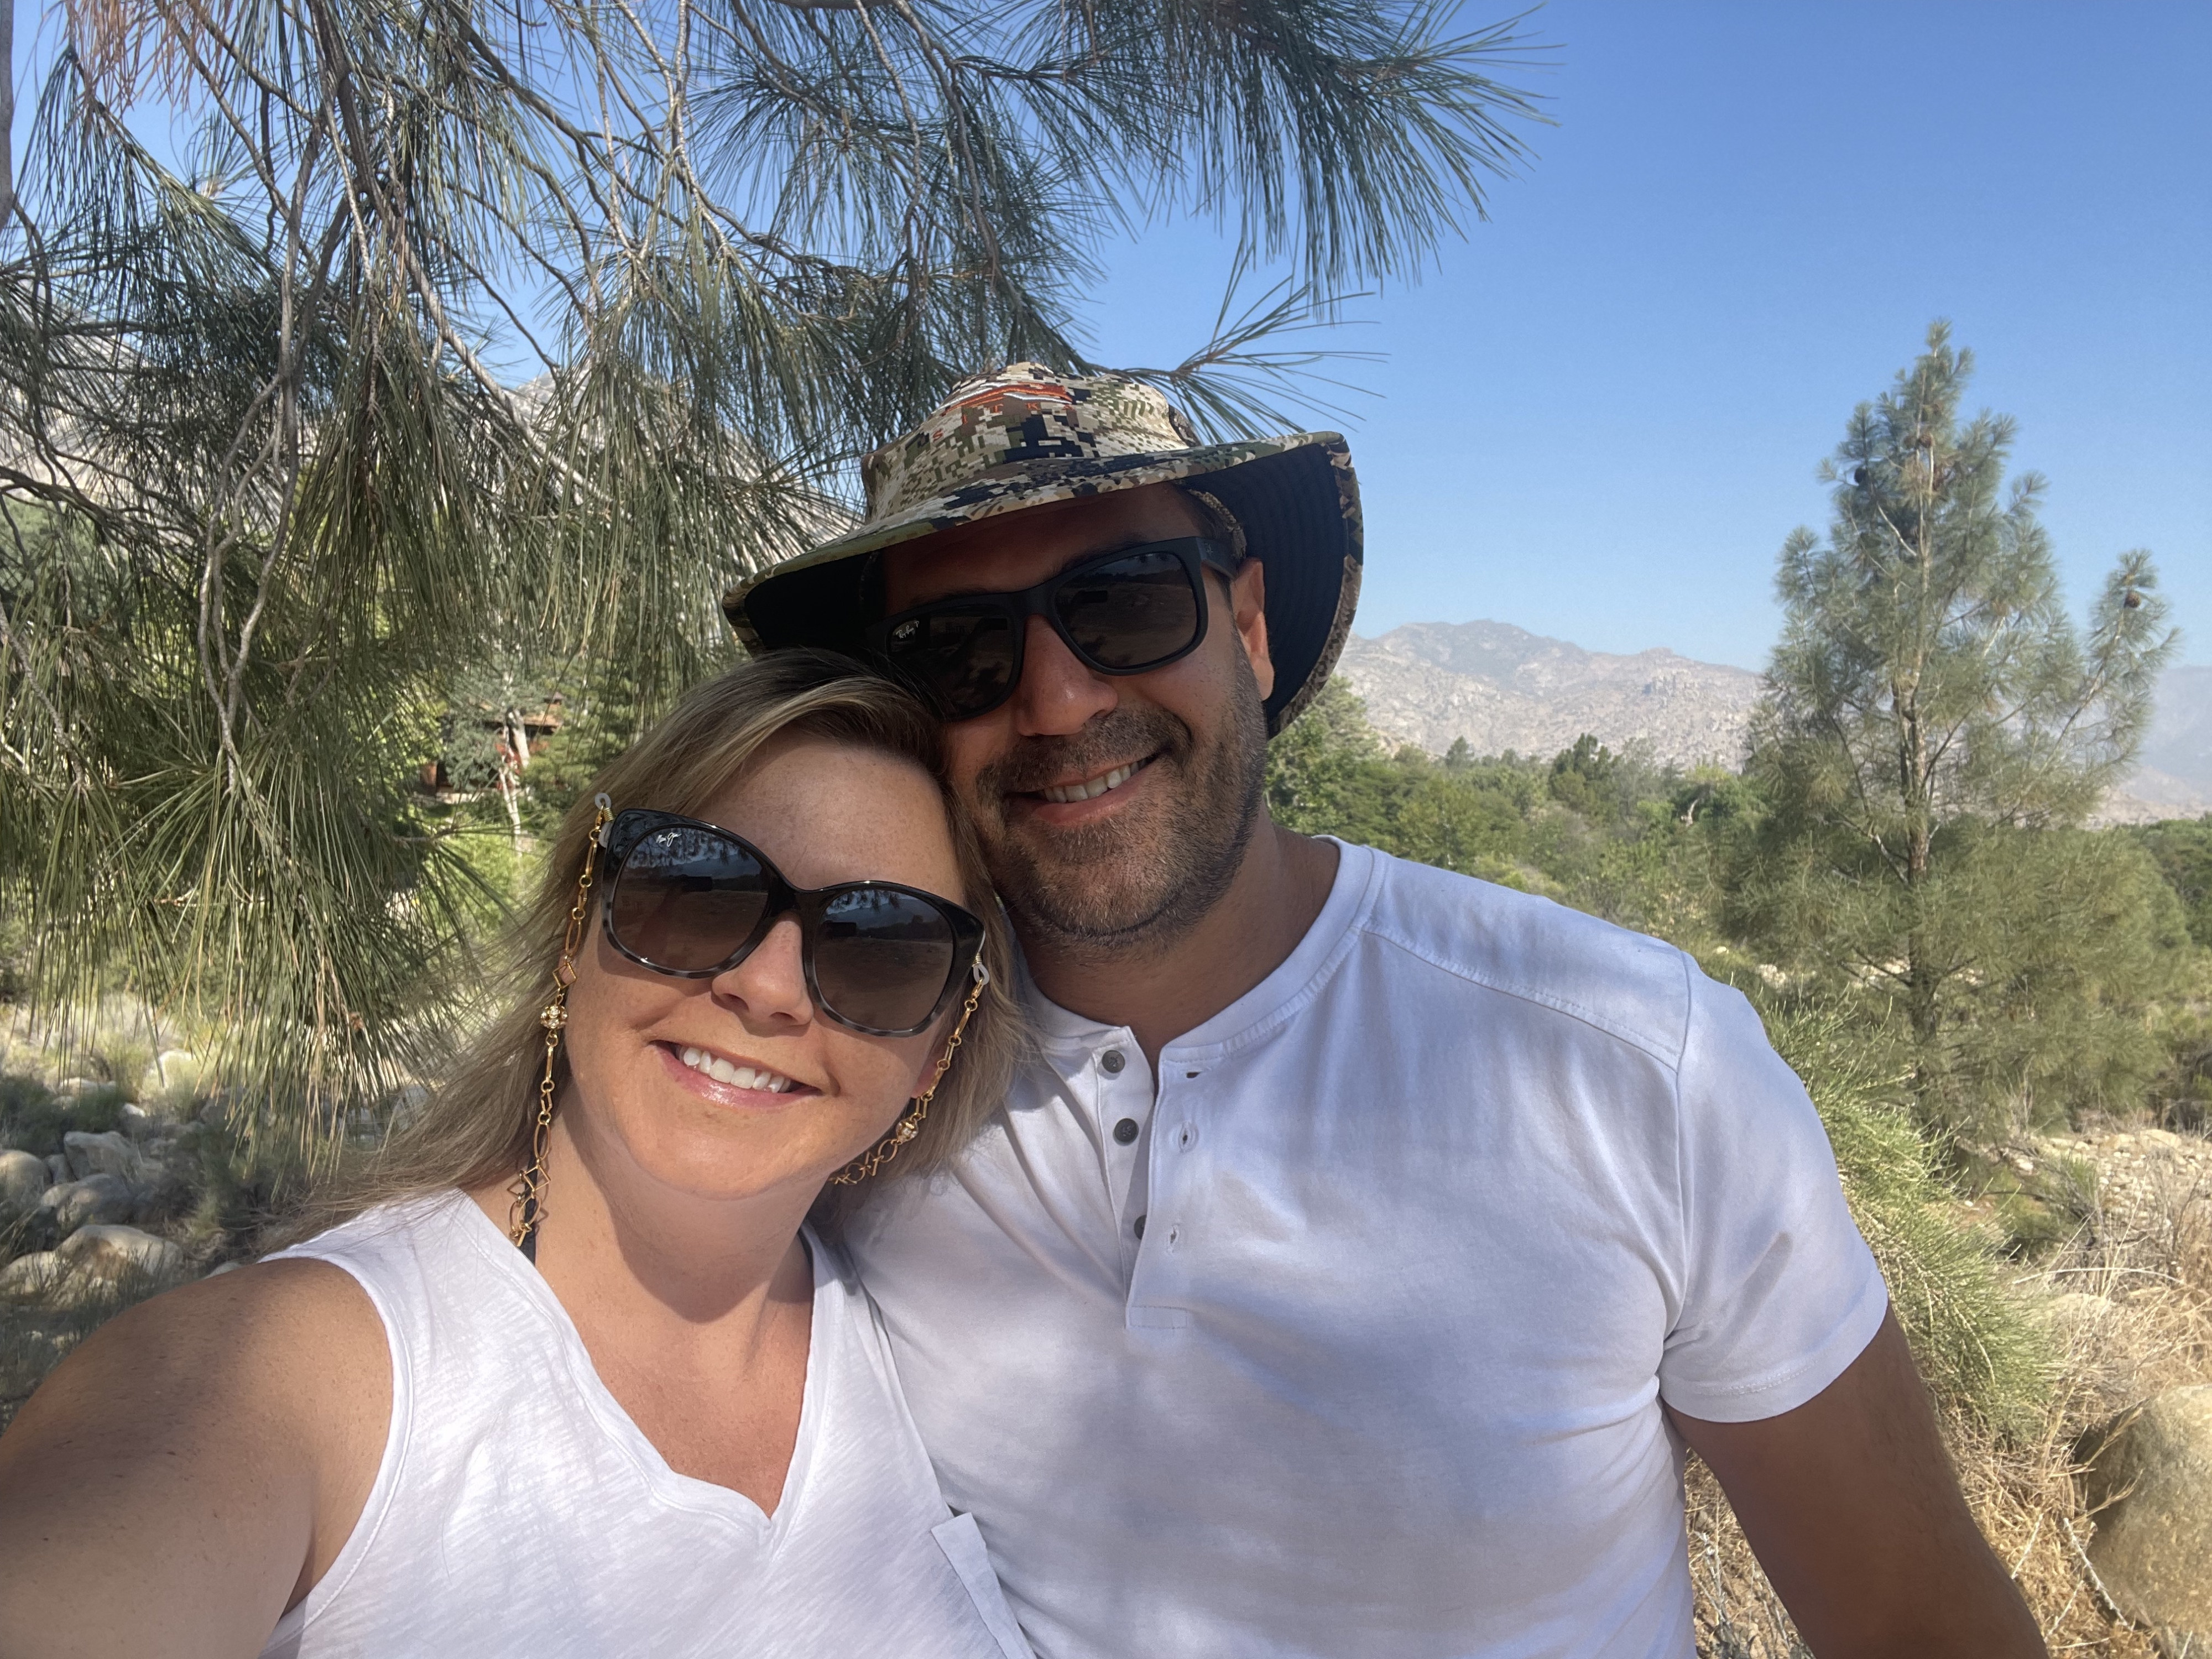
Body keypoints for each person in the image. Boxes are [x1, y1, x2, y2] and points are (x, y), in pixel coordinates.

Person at [724, 366, 2051, 1657]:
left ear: (1247, 629)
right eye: (958, 650)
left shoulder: (1632, 1065)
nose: (1057, 698)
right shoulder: (852, 1063)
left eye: (1124, 605)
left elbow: (1915, 1625)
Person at [0, 651, 1034, 1659]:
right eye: (699, 887)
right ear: (579, 927)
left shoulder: (924, 1344)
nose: (767, 988)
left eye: (882, 947)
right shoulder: (294, 1377)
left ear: (938, 1049)